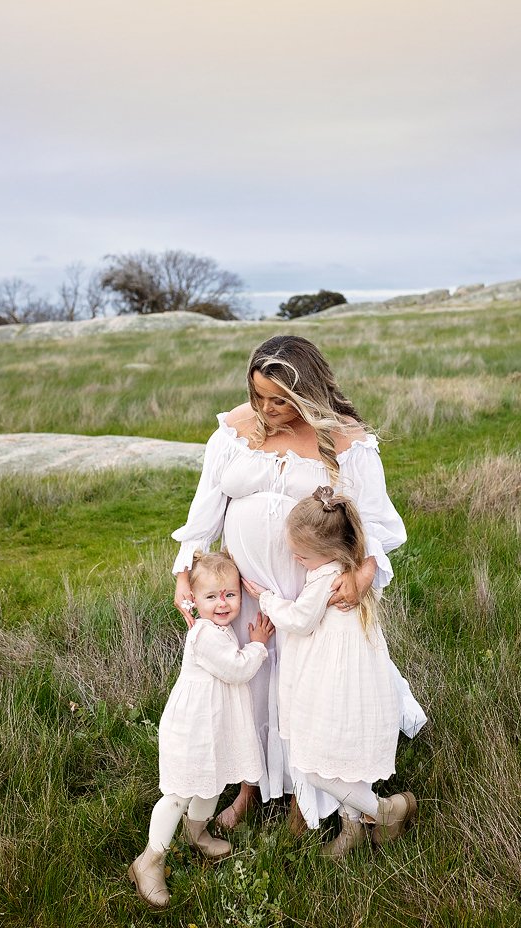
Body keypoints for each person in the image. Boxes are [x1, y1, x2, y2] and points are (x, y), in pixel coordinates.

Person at [172, 334, 426, 830]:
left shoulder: (345, 441)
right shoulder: (232, 433)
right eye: (258, 395)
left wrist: (362, 576)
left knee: (305, 695)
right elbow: (202, 518)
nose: (267, 409)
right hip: (246, 593)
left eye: (281, 401)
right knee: (249, 687)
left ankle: (302, 797)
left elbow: (372, 528)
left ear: (308, 392)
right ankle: (248, 787)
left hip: (310, 599)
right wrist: (185, 574)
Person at [243, 486, 417, 858]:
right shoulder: (346, 569)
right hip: (343, 675)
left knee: (316, 765)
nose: (294, 558)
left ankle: (386, 811)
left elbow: (300, 620)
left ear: (328, 553)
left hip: (332, 679)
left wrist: (266, 599)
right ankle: (352, 828)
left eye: (301, 555)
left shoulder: (326, 578)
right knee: (340, 760)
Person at [128, 551, 275, 909]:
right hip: (192, 729)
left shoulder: (219, 629)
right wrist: (257, 644)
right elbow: (237, 670)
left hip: (214, 727)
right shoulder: (205, 636)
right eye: (211, 596)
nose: (222, 603)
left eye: (230, 594)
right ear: (195, 600)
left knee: (212, 782)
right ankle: (149, 860)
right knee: (180, 792)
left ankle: (196, 833)